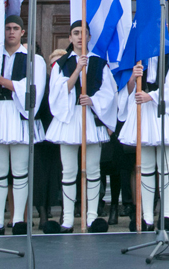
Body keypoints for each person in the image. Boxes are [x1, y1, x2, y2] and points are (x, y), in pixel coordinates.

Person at [0, 15, 46, 235]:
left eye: (15, 28)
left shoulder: (34, 59)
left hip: (18, 114)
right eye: (7, 28)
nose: (11, 32)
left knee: (21, 171)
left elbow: (34, 90)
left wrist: (2, 81)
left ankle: (18, 219)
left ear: (22, 32)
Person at [45, 21, 116, 233]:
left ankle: (92, 217)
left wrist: (93, 101)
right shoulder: (62, 64)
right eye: (75, 33)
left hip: (89, 119)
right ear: (70, 38)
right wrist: (77, 69)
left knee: (93, 170)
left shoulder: (100, 63)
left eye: (83, 33)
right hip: (69, 119)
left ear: (89, 37)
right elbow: (57, 92)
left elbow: (109, 92)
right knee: (69, 171)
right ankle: (67, 219)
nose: (79, 37)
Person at [120, 52, 169, 232]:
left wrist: (151, 96)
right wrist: (132, 78)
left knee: (165, 167)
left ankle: (166, 215)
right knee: (146, 167)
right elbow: (125, 91)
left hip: (163, 111)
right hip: (143, 112)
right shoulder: (137, 54)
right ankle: (147, 217)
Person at [33, 49, 64, 229]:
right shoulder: (41, 82)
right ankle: (43, 213)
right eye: (53, 63)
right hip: (42, 135)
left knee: (60, 176)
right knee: (41, 177)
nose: (56, 66)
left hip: (61, 136)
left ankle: (62, 213)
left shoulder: (67, 81)